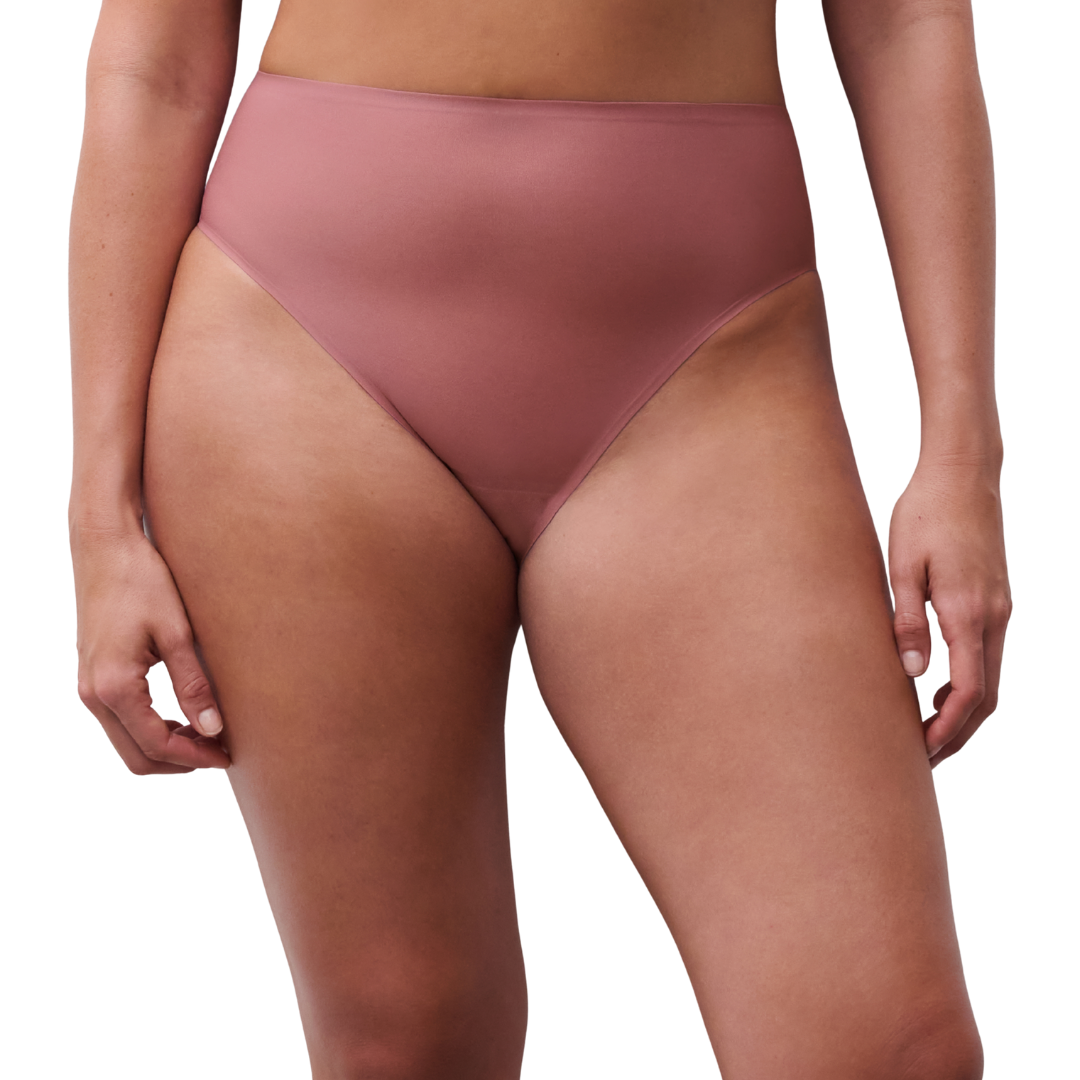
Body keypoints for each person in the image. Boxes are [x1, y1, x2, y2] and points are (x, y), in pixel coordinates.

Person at [68, 0, 1010, 1075]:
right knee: (407, 1047)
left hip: (710, 366)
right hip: (299, 350)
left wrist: (962, 452)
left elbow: (904, 22)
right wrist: (101, 521)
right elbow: (156, 63)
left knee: (888, 1047)